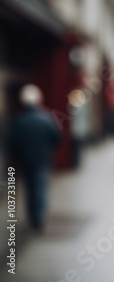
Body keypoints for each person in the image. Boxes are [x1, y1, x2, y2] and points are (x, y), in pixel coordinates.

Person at [8, 84, 61, 230]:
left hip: (25, 160)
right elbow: (56, 137)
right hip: (42, 159)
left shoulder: (18, 120)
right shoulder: (46, 118)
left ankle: (32, 216)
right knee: (40, 188)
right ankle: (38, 217)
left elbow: (12, 143)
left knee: (29, 188)